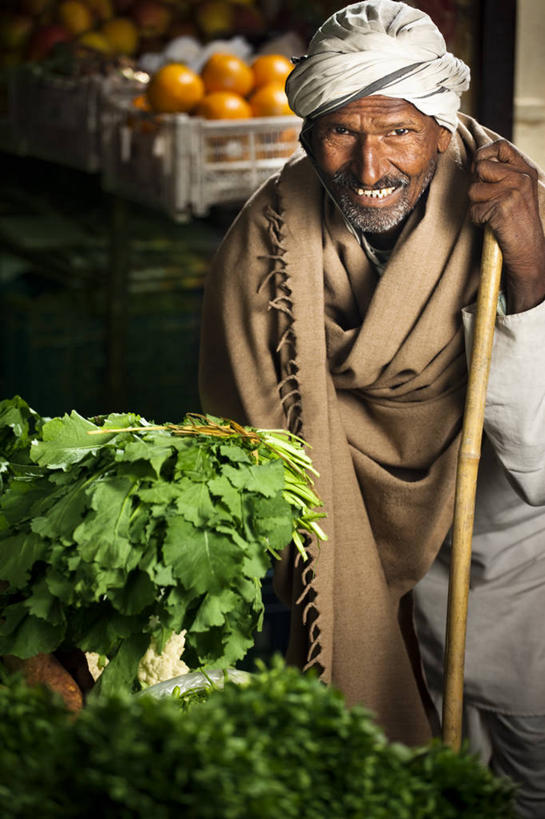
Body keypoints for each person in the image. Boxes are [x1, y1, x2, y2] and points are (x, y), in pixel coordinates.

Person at [198, 1, 545, 814]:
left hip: (502, 560)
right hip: (351, 565)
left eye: (395, 132)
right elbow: (257, 452)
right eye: (340, 133)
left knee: (528, 768)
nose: (367, 168)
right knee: (388, 783)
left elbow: (539, 464)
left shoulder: (519, 212)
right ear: (306, 133)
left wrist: (531, 273)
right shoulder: (262, 247)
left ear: (436, 125)